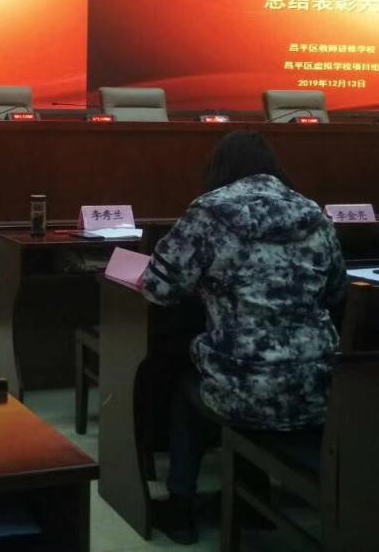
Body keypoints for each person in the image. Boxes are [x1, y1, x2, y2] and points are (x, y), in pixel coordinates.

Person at [141, 131, 346, 544]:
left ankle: (181, 507)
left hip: (246, 389)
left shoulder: (209, 212)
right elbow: (336, 290)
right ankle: (250, 499)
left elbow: (157, 288)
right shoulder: (312, 212)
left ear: (218, 169)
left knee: (186, 384)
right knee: (229, 369)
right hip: (319, 387)